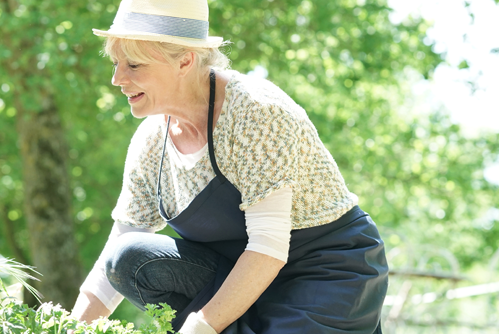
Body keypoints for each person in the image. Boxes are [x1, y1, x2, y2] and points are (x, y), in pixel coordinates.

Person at [70, 0, 388, 333]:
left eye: (133, 65)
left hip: (322, 274)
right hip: (236, 279)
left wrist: (199, 329)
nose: (117, 79)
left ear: (185, 61)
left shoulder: (255, 112)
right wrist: (66, 329)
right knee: (127, 257)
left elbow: (268, 248)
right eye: (116, 63)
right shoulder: (151, 143)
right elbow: (117, 255)